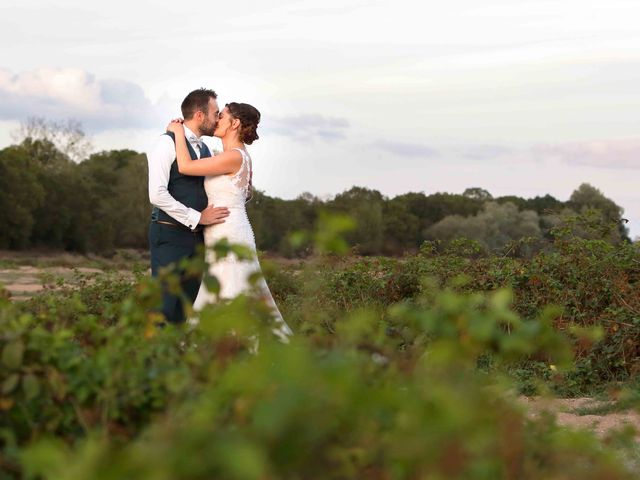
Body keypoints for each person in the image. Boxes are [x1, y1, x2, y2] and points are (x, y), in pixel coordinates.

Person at [166, 102, 293, 342]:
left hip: (228, 230)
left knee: (232, 286)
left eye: (221, 116)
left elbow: (185, 166)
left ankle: (235, 345)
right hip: (223, 229)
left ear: (234, 123)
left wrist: (178, 132)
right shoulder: (233, 157)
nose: (216, 120)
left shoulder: (234, 156)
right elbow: (244, 194)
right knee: (223, 286)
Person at [147, 88, 230, 324]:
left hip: (197, 239)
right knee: (165, 305)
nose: (218, 119)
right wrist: (197, 217)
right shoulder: (166, 142)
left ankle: (177, 357)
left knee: (187, 306)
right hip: (170, 234)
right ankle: (154, 358)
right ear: (200, 115)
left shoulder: (204, 149)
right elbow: (157, 194)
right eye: (215, 113)